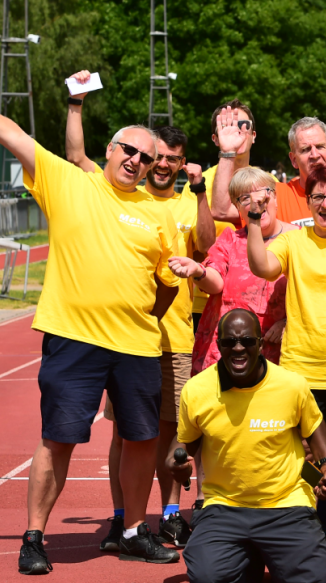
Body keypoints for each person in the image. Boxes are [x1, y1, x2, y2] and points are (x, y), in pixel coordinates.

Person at [0, 47, 182, 572]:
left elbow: (167, 281)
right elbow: (8, 131)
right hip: (74, 338)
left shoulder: (159, 212)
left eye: (147, 158)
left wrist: (144, 314)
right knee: (58, 439)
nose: (137, 161)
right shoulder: (69, 181)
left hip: (136, 345)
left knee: (142, 441)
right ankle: (34, 537)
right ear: (110, 148)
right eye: (129, 150)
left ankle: (131, 529)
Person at [62, 70, 217, 549]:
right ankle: (120, 516)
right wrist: (77, 104)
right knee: (123, 435)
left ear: (182, 163)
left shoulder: (189, 203)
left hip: (173, 339)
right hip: (123, 337)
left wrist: (202, 191)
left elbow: (207, 247)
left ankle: (169, 511)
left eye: (171, 159)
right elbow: (76, 158)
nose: (161, 165)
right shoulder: (119, 194)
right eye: (156, 158)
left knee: (167, 431)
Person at [167, 309, 326, 583]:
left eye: (247, 340)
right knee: (207, 581)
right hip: (225, 504)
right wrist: (175, 462)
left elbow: (314, 427)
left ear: (260, 343)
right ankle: (253, 556)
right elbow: (183, 443)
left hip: (286, 502)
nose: (238, 348)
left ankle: (261, 550)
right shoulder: (197, 390)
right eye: (229, 342)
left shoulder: (292, 385)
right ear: (218, 344)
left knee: (315, 582)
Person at [247, 165, 326, 568]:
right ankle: (309, 531)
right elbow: (262, 267)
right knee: (307, 459)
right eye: (318, 197)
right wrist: (253, 220)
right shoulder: (295, 241)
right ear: (308, 202)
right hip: (300, 369)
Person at [167, 167, 298, 375]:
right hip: (230, 351)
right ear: (238, 208)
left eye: (262, 195)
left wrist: (288, 323)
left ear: (274, 198)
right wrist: (197, 271)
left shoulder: (298, 239)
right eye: (245, 199)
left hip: (277, 352)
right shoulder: (230, 239)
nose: (255, 203)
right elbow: (216, 282)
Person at [194, 99, 279, 327]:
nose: (237, 131)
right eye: (227, 125)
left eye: (243, 125)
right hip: (209, 301)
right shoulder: (196, 183)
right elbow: (203, 245)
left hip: (263, 305)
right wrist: (227, 153)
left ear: (254, 135)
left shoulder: (272, 185)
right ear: (215, 138)